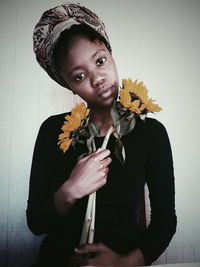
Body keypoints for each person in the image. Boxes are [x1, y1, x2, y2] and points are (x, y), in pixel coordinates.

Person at [27, 3, 177, 266]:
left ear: (111, 53)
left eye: (100, 61)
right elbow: (36, 223)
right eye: (79, 76)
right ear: (68, 85)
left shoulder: (151, 134)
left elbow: (165, 222)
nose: (97, 79)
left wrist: (123, 262)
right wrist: (71, 189)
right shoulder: (53, 131)